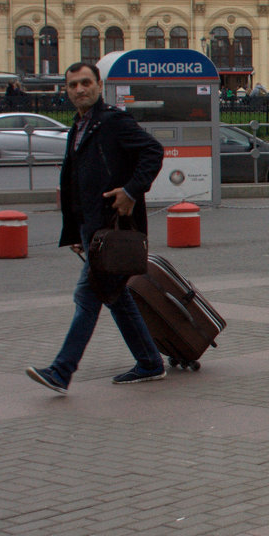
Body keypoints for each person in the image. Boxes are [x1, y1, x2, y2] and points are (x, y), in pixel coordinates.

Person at [25, 62, 165, 394]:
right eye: (72, 85)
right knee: (116, 298)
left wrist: (131, 191)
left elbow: (153, 151)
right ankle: (149, 362)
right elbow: (75, 181)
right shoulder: (79, 126)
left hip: (115, 232)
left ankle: (62, 371)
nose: (79, 90)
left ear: (99, 85)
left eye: (85, 83)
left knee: (86, 296)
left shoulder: (113, 122)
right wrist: (75, 231)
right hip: (93, 230)